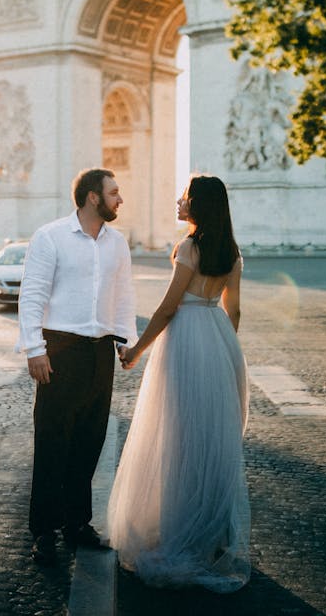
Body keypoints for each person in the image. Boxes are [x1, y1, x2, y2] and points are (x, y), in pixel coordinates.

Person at [107, 174, 250, 592]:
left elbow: (169, 308)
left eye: (185, 196)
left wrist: (134, 351)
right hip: (219, 340)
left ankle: (177, 533)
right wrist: (222, 349)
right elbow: (235, 310)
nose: (178, 200)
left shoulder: (188, 247)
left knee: (176, 439)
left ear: (198, 205)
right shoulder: (232, 252)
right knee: (211, 442)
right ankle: (212, 536)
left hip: (185, 340)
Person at [17, 168, 138, 567]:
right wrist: (35, 349)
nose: (120, 199)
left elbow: (123, 297)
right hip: (61, 349)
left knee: (89, 442)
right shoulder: (50, 237)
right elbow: (32, 296)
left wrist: (127, 341)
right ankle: (45, 532)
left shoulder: (118, 244)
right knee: (53, 443)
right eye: (114, 193)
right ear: (91, 197)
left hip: (100, 351)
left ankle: (76, 524)